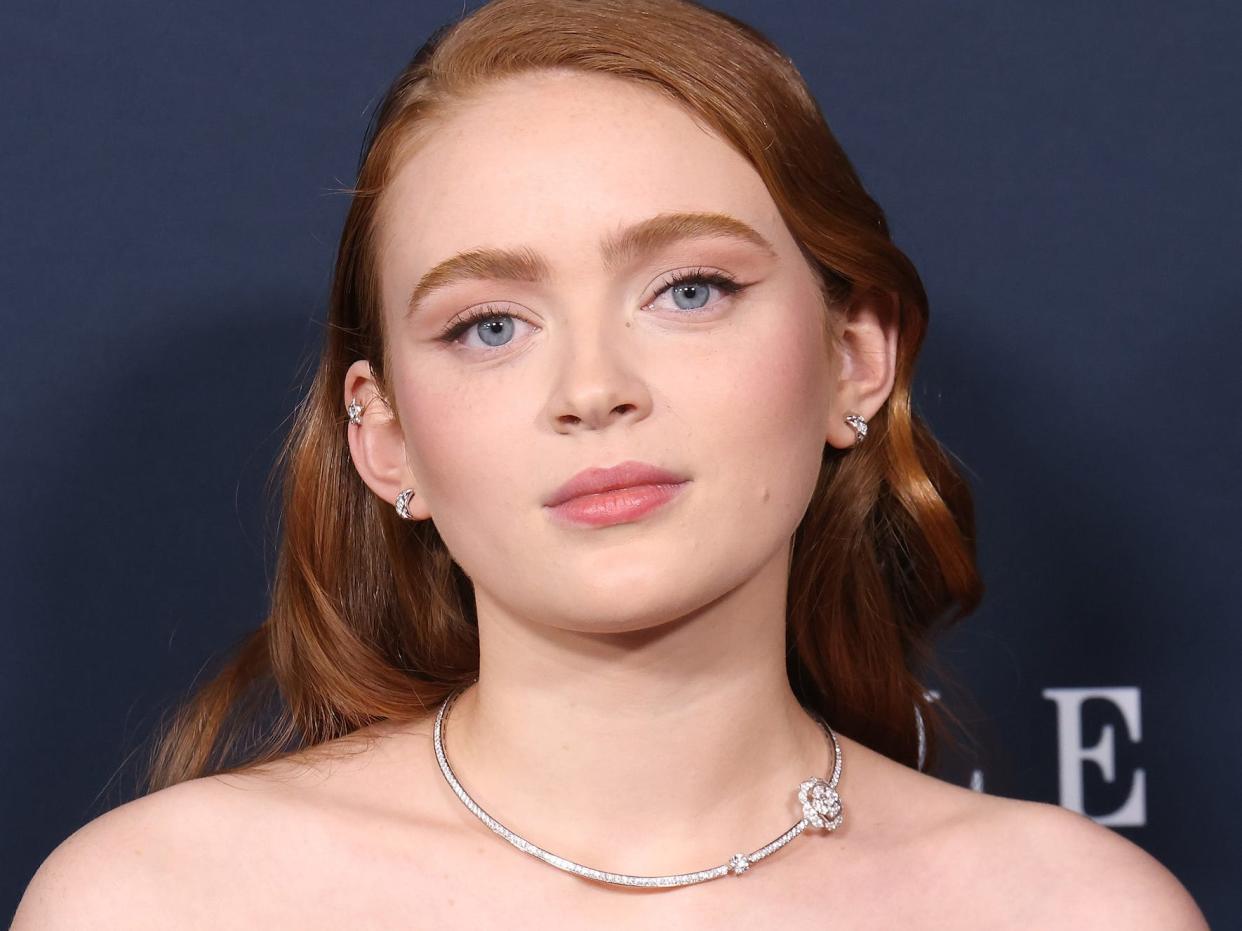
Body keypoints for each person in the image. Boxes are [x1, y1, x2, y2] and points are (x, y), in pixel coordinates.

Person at [13, 0, 1208, 926]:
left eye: (690, 289)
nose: (594, 389)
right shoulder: (167, 904)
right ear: (383, 437)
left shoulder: (1074, 911)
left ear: (854, 356)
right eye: (489, 324)